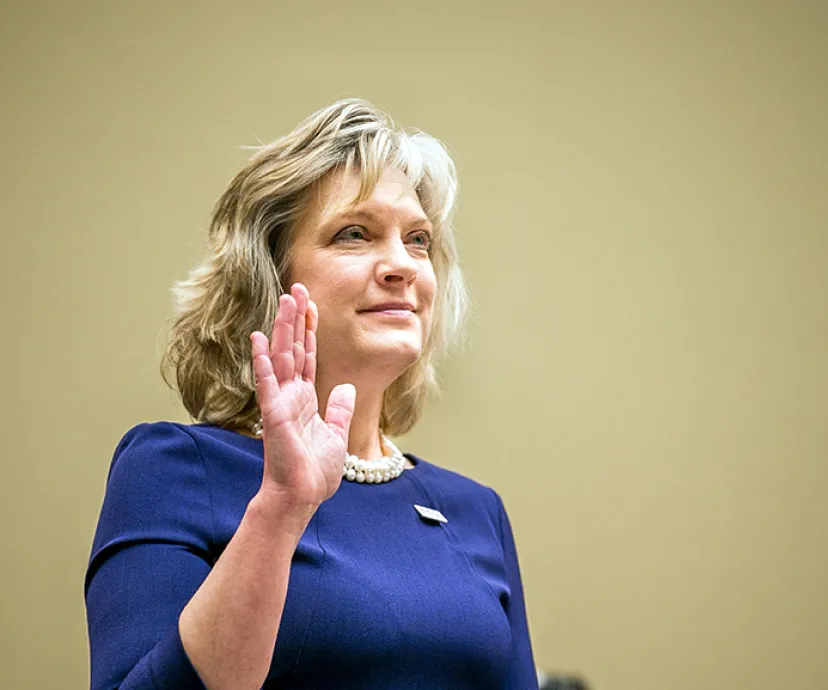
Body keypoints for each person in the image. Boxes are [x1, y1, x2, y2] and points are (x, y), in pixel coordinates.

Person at [85, 98, 538, 689]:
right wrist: (280, 509)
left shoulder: (477, 511)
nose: (401, 264)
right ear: (269, 275)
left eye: (419, 240)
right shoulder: (174, 470)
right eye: (355, 234)